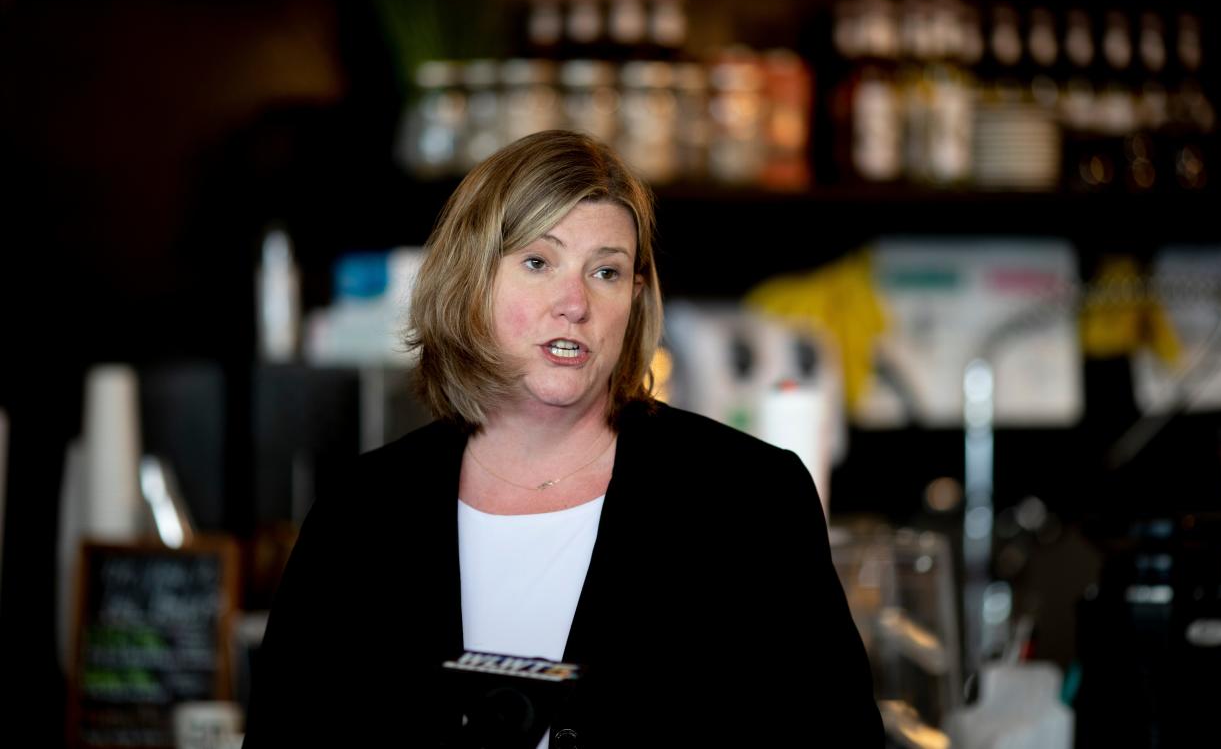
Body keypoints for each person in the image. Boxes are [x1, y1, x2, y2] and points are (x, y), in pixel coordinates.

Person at [243, 130, 883, 748]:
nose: (574, 302)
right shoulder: (362, 510)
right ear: (470, 279)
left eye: (606, 272)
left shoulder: (748, 497)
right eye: (537, 262)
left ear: (634, 298)